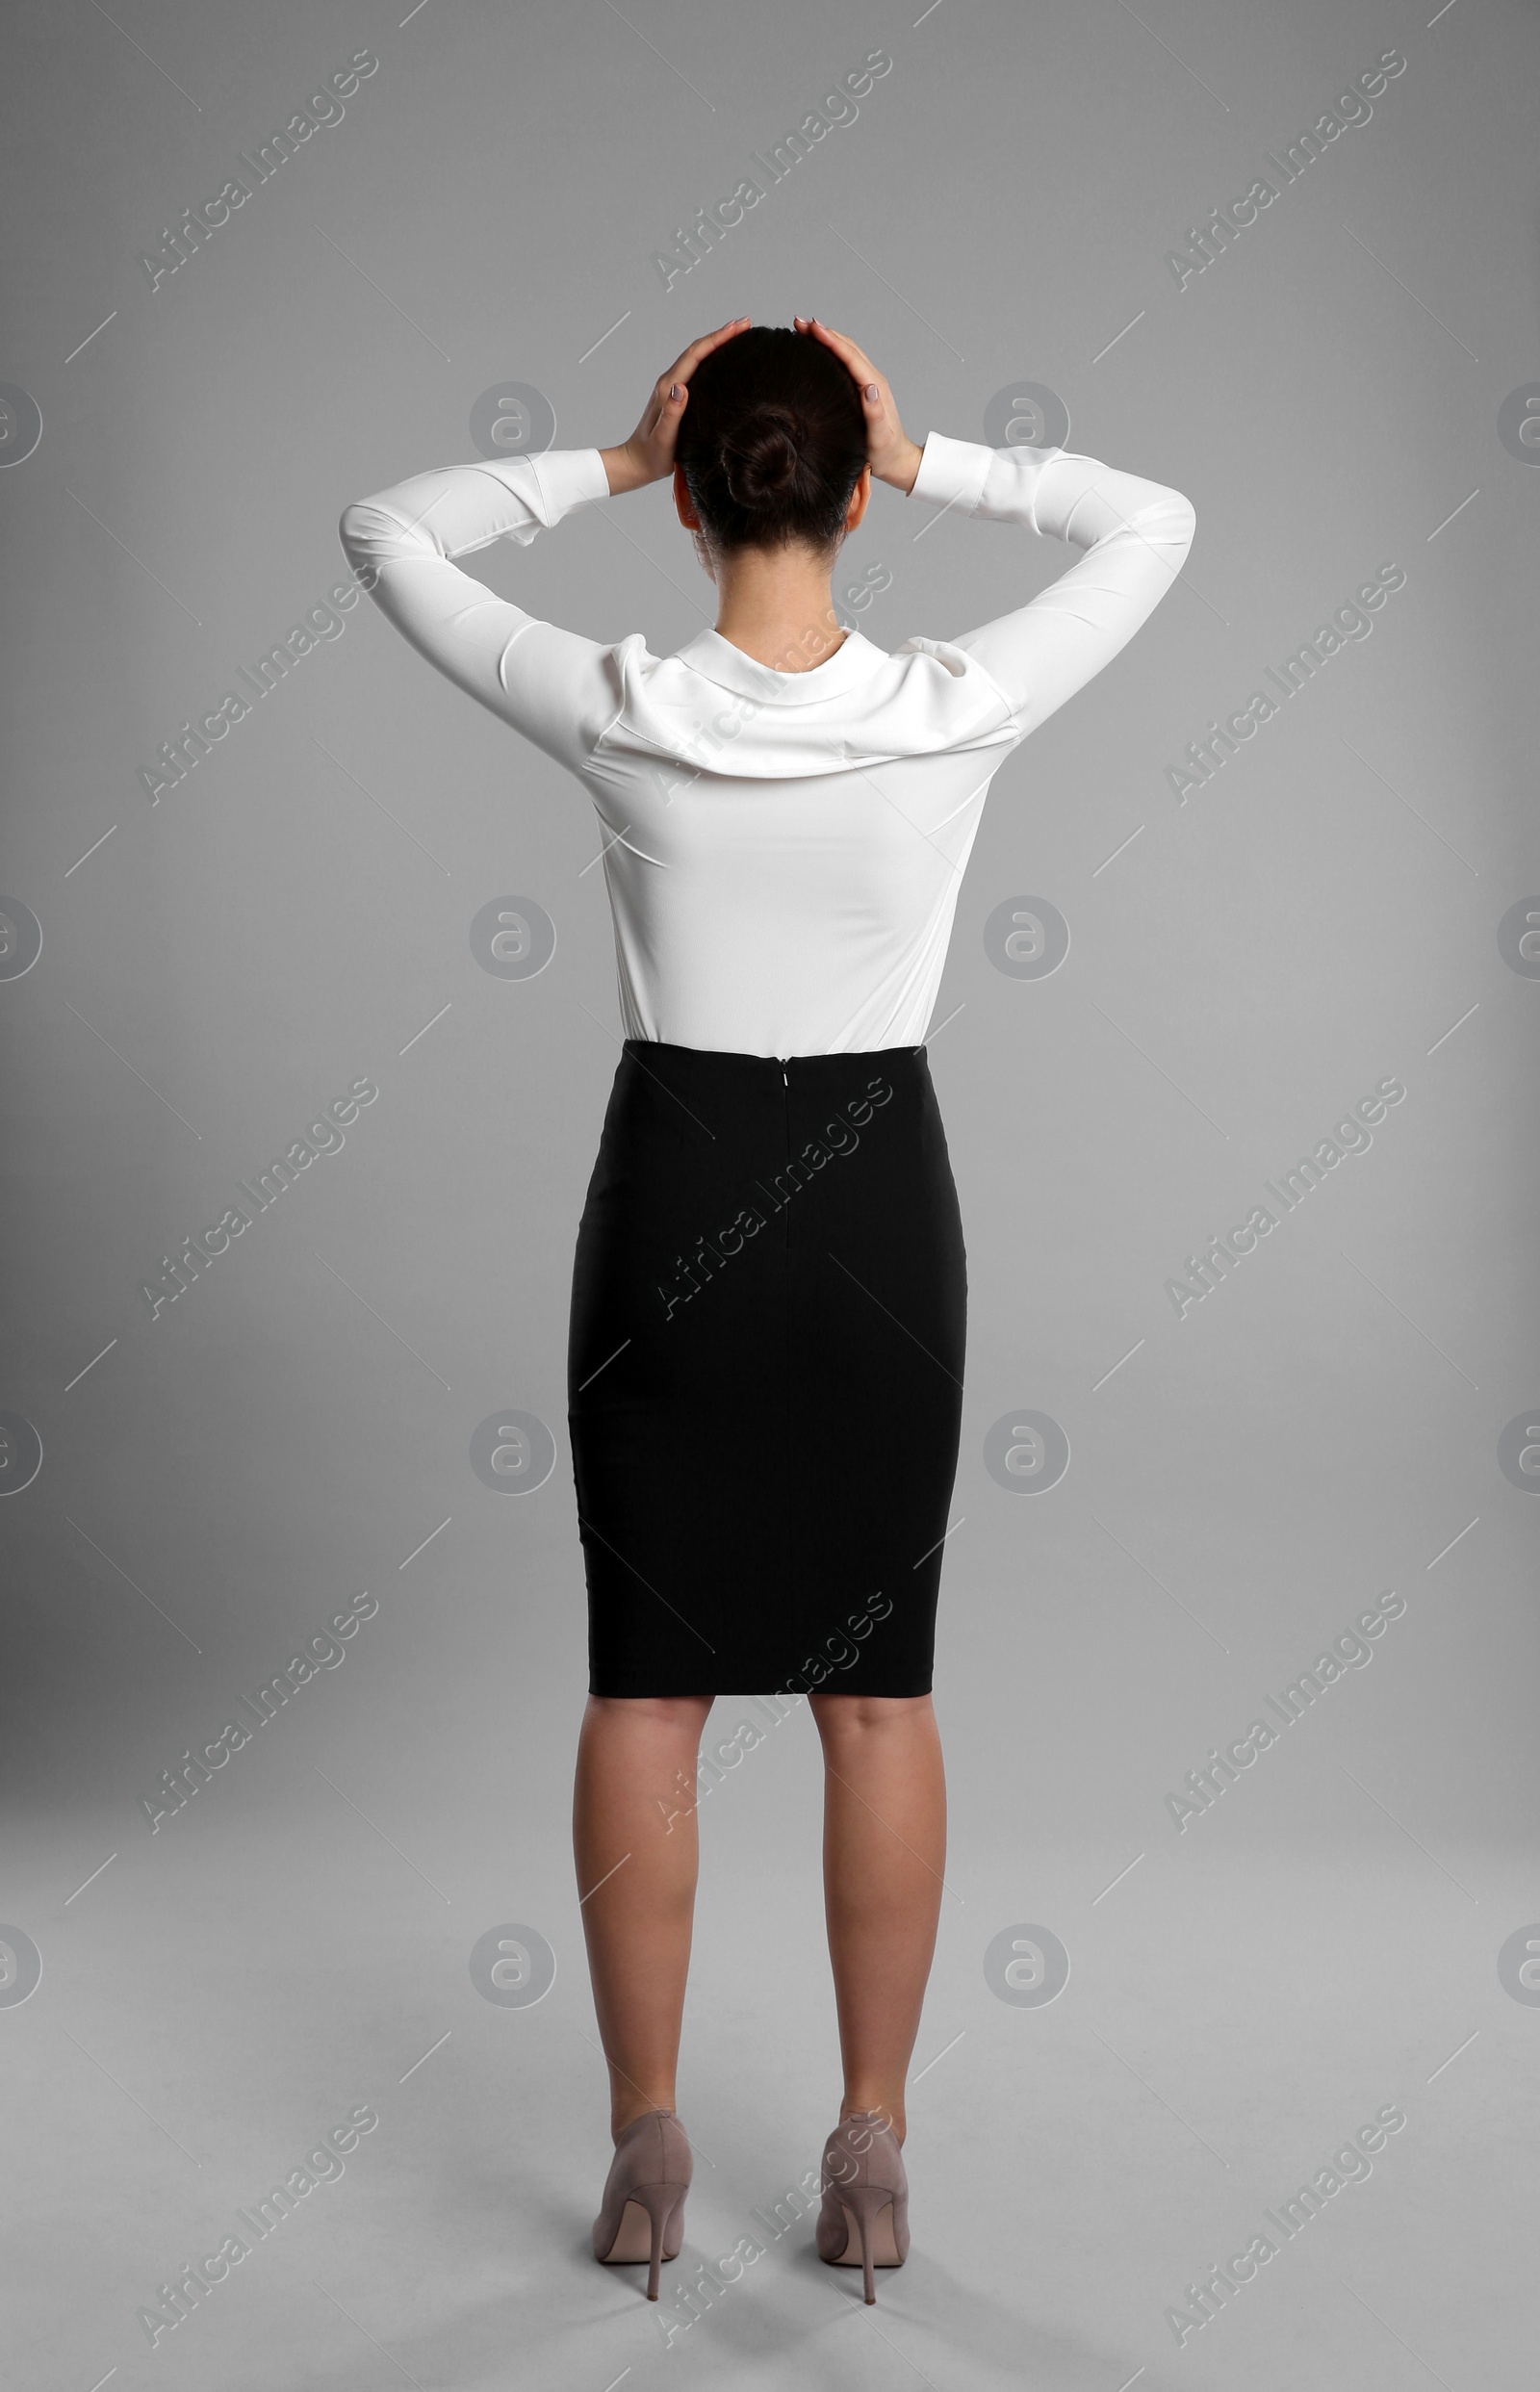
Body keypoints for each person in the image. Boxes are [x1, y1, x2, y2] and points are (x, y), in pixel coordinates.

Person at [339, 318, 1195, 2304]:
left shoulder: (619, 697)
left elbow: (385, 532)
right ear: (836, 484)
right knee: (875, 1690)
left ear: (712, 485)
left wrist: (608, 461)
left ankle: (644, 2141)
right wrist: (944, 456)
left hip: (678, 1191)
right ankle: (871, 2143)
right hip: (876, 1208)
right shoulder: (956, 700)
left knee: (646, 1689)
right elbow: (1153, 523)